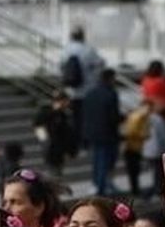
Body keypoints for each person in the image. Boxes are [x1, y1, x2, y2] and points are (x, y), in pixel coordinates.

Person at [60, 26, 103, 153]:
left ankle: (75, 144)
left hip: (71, 91)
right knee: (86, 119)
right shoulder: (88, 49)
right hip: (87, 91)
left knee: (74, 119)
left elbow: (61, 67)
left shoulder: (66, 50)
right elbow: (100, 63)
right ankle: (85, 144)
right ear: (83, 36)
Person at [81, 69, 121, 197]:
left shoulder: (90, 93)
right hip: (108, 133)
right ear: (110, 78)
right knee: (106, 161)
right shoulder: (111, 94)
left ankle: (97, 184)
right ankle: (102, 187)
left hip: (93, 133)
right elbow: (113, 116)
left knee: (97, 160)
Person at [34, 91, 74, 180]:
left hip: (59, 149)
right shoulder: (46, 113)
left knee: (58, 172)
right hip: (51, 147)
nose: (68, 103)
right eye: (66, 101)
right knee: (53, 172)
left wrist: (68, 150)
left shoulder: (63, 115)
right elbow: (39, 128)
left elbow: (66, 134)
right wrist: (46, 143)